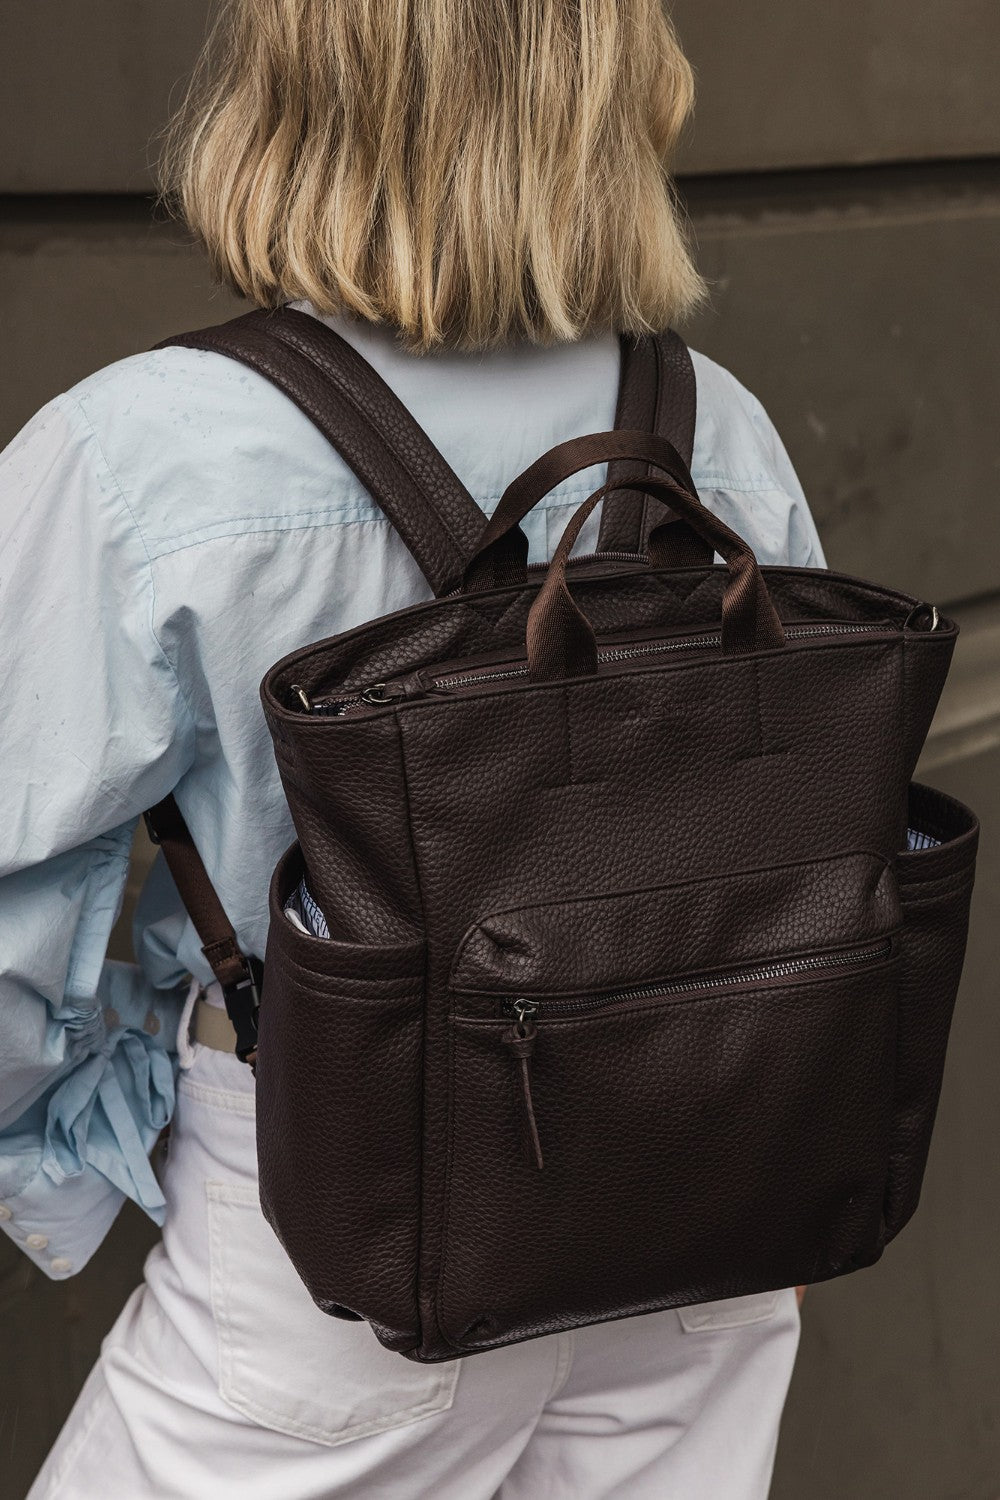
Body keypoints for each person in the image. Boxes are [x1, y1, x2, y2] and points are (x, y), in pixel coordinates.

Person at [0, 1, 825, 1495]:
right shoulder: (718, 431)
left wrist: (88, 1153)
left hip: (336, 1245)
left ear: (287, 91)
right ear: (616, 93)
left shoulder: (135, 460)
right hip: (709, 1206)